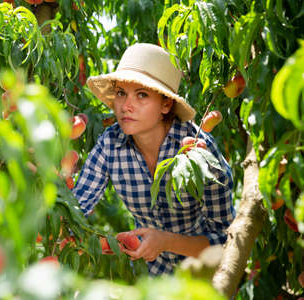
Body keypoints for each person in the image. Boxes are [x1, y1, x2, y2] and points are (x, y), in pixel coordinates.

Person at [72, 43, 235, 276]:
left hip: (209, 275)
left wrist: (165, 241)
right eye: (121, 93)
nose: (126, 106)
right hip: (154, 274)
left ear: (166, 104)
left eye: (142, 95)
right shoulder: (111, 144)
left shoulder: (197, 150)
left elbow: (228, 240)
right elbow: (77, 206)